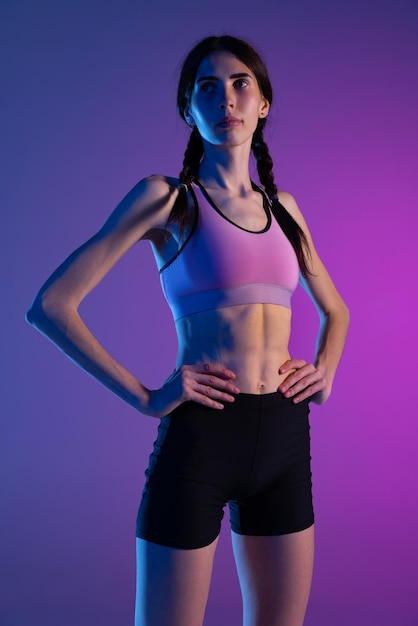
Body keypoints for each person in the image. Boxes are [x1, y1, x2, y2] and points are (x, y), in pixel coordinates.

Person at [26, 34, 349, 626]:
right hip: (200, 438)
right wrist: (146, 396)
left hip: (282, 437)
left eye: (240, 83)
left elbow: (337, 310)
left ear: (263, 104)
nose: (225, 98)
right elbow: (52, 304)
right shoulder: (168, 200)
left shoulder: (286, 210)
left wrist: (323, 371)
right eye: (207, 86)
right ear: (188, 109)